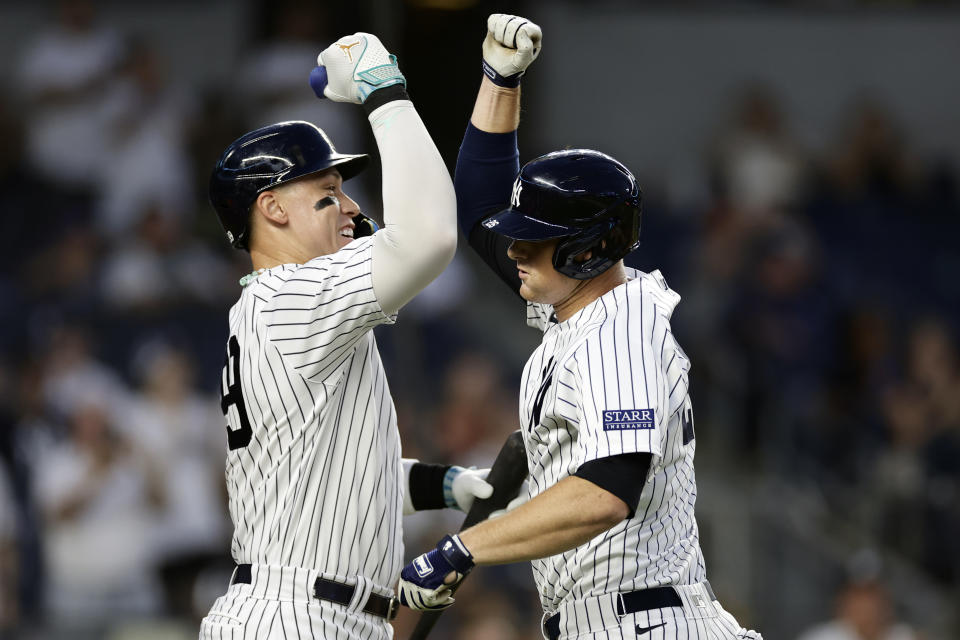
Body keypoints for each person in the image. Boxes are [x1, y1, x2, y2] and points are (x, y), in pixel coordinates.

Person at [397, 14, 763, 640]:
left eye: (533, 243)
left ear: (587, 251)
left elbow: (605, 491)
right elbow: (484, 207)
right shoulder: (576, 305)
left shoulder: (619, 327)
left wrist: (463, 550)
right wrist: (499, 79)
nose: (514, 252)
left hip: (646, 620)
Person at [201, 32, 494, 639]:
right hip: (298, 615)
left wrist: (447, 483)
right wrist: (383, 90)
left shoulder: (281, 308)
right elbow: (429, 238)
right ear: (274, 209)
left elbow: (343, 478)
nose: (353, 209)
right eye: (328, 194)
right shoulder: (290, 298)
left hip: (309, 611)